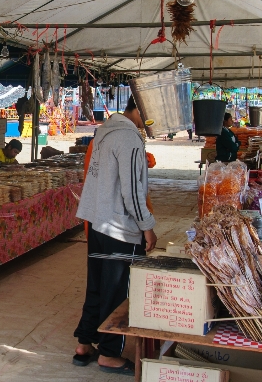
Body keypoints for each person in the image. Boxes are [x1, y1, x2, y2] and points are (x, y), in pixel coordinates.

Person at [73, 95, 156, 376]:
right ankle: (109, 353)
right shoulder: (129, 138)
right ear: (140, 110)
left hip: (98, 223)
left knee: (97, 285)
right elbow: (132, 191)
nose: (150, 123)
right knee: (118, 292)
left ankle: (85, 344)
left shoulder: (105, 132)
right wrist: (147, 226)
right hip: (120, 228)